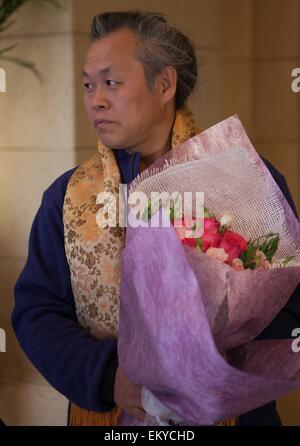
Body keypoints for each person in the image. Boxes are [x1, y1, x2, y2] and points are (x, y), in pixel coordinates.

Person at [12, 10, 300, 426]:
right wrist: (109, 376)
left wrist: (222, 367)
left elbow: (289, 299)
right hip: (110, 414)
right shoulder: (68, 197)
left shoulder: (245, 178)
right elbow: (37, 312)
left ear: (165, 83)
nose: (96, 99)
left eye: (111, 82)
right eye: (88, 85)